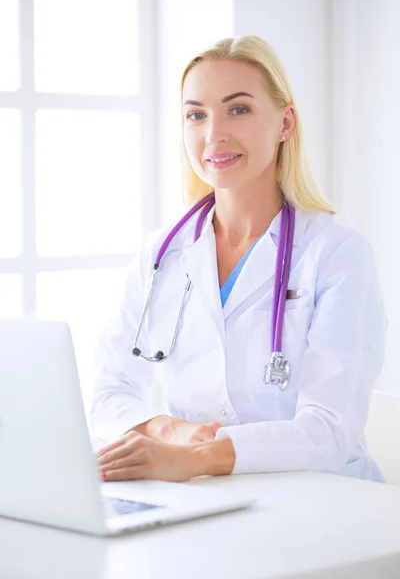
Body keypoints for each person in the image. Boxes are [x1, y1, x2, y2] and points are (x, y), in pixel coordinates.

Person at [92, 35, 386, 484]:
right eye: (196, 115)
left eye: (238, 109)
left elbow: (328, 432)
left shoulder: (338, 255)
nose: (214, 135)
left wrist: (196, 459)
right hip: (204, 498)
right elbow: (109, 392)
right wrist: (172, 432)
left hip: (325, 503)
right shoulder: (162, 254)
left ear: (285, 123)